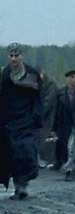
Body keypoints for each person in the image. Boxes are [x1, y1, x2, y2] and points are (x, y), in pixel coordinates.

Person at [0, 43, 44, 199]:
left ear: (21, 56)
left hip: (26, 121)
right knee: (11, 155)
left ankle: (22, 184)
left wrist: (36, 118)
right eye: (11, 56)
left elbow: (38, 98)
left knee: (26, 153)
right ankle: (17, 185)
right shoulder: (5, 74)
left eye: (16, 56)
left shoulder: (31, 73)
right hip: (9, 122)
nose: (14, 59)